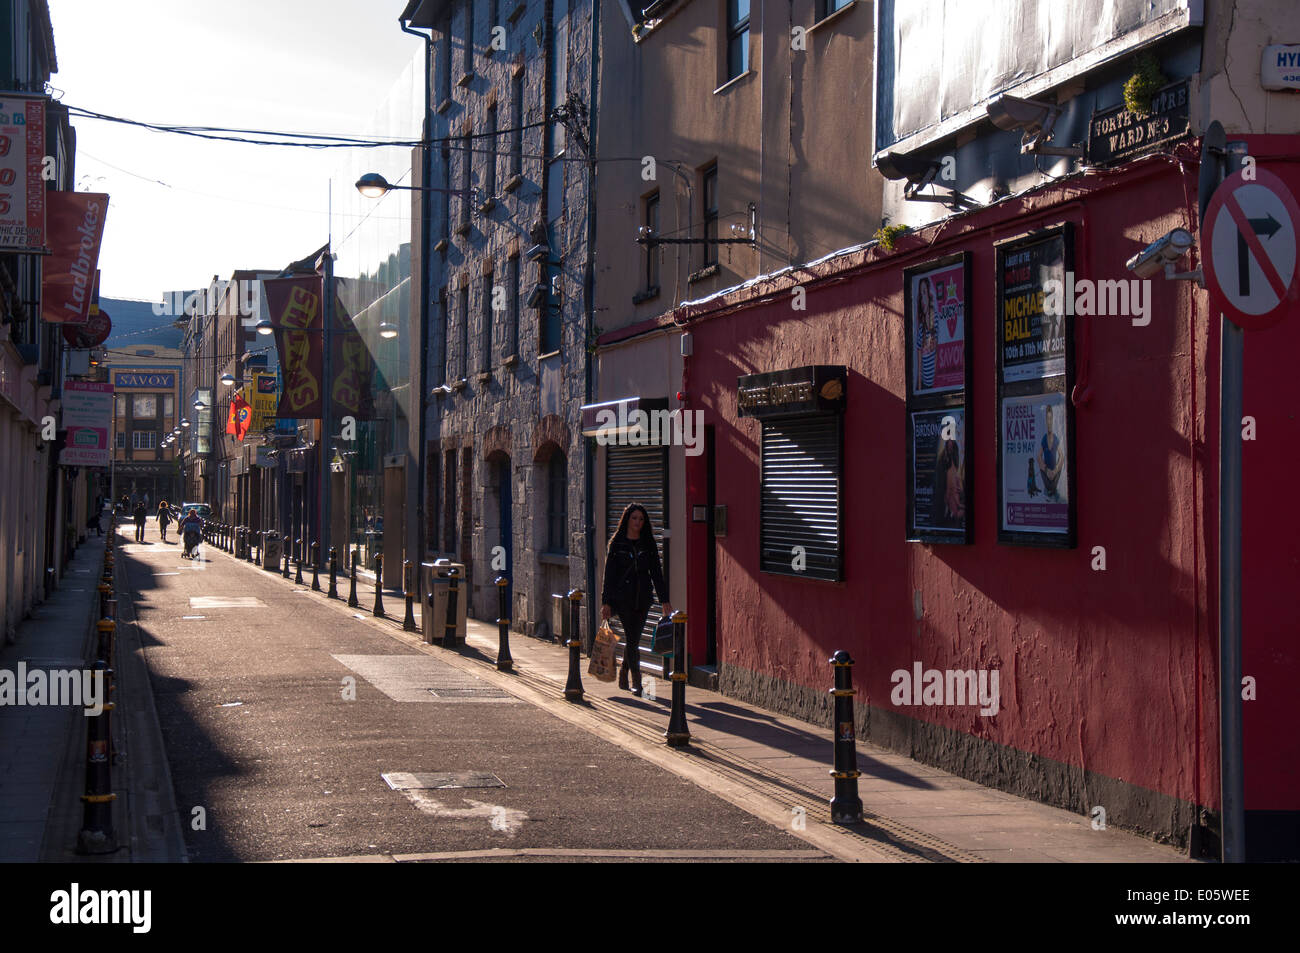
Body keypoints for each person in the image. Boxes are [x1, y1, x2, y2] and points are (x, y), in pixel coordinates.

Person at [600, 503, 673, 697]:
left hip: (643, 598)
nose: (637, 523)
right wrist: (605, 602)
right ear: (627, 519)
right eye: (634, 518)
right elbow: (609, 575)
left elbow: (657, 573)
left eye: (641, 519)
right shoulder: (617, 543)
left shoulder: (648, 544)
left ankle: (624, 670)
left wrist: (664, 599)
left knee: (634, 638)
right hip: (622, 598)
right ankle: (638, 683)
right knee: (632, 639)